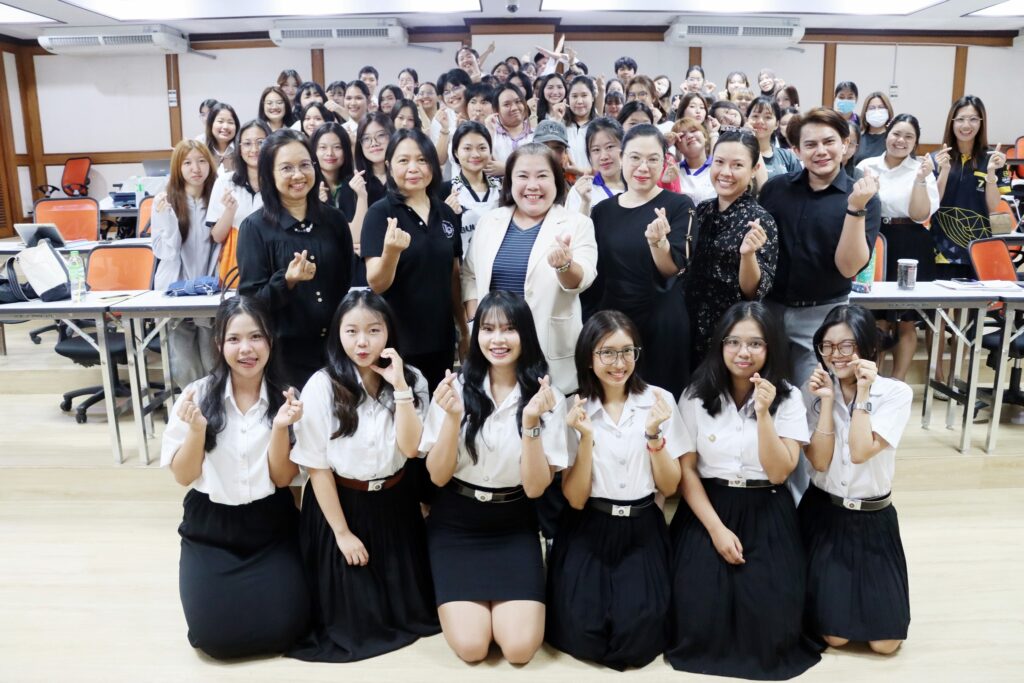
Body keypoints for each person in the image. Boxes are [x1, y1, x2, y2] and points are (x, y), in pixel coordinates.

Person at [668, 301, 822, 679]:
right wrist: (717, 530)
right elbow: (687, 471)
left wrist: (764, 413)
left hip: (767, 505)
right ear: (720, 345)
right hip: (710, 506)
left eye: (755, 343)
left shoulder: (788, 396)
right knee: (699, 615)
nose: (743, 352)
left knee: (770, 627)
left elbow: (779, 472)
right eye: (733, 342)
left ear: (770, 348)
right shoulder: (695, 395)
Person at [287, 291, 440, 662]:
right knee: (353, 625)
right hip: (340, 504)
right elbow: (316, 467)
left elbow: (411, 449)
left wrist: (400, 388)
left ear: (389, 332)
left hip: (395, 503)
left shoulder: (413, 379)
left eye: (373, 330)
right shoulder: (322, 385)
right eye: (351, 331)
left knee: (410, 614)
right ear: (337, 334)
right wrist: (342, 534)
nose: (362, 342)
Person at [419, 291, 569, 664]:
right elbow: (437, 476)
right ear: (476, 335)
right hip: (456, 524)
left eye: (509, 329)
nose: (497, 339)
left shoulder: (548, 397)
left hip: (513, 525)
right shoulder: (453, 388)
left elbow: (535, 487)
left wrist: (531, 423)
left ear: (525, 335)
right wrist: (453, 418)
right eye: (488, 329)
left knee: (519, 649)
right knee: (472, 647)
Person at [161, 296, 309, 660]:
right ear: (219, 344)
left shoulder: (287, 397)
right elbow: (183, 476)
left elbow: (282, 478)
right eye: (234, 339)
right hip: (211, 528)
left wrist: (279, 428)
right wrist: (197, 431)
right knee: (213, 638)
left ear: (270, 341)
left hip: (270, 524)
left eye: (256, 337)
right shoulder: (197, 394)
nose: (246, 349)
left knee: (287, 630)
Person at [546, 311, 683, 670]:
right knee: (583, 633)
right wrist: (585, 438)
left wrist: (653, 435)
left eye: (627, 351)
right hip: (588, 525)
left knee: (637, 639)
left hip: (642, 527)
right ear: (589, 358)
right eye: (607, 352)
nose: (619, 363)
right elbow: (576, 499)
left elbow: (670, 486)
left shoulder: (659, 400)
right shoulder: (573, 408)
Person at [801, 304, 913, 655]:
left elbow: (862, 451)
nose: (836, 355)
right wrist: (826, 402)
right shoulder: (815, 391)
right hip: (824, 514)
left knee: (886, 643)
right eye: (827, 346)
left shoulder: (895, 393)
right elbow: (819, 460)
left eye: (846, 346)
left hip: (873, 519)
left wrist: (863, 394)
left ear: (868, 347)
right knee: (835, 637)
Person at [462, 142, 597, 395]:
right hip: (495, 348)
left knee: (549, 413)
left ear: (557, 181)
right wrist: (475, 319)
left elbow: (584, 278)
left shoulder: (577, 223)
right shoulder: (489, 222)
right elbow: (469, 274)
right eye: (523, 176)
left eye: (542, 176)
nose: (532, 185)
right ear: (510, 182)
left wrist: (565, 265)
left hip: (549, 350)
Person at [761, 107, 881, 390]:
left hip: (824, 316)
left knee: (815, 400)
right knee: (766, 398)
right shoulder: (775, 190)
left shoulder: (864, 198)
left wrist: (855, 207)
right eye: (810, 144)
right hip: (770, 311)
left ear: (845, 144)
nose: (821, 151)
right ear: (796, 150)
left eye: (829, 142)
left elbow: (849, 268)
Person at [237, 129, 354, 388]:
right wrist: (286, 282)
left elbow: (345, 283)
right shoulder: (254, 228)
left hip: (337, 351)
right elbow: (249, 304)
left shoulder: (334, 220)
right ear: (269, 175)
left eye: (304, 165)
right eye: (286, 168)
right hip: (284, 358)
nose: (298, 175)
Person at [588, 124, 696, 398]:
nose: (643, 167)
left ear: (664, 162)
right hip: (613, 323)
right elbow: (596, 274)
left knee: (661, 403)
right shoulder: (601, 212)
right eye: (635, 157)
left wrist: (658, 243)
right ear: (622, 158)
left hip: (661, 323)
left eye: (653, 159)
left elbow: (672, 269)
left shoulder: (679, 205)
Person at [362, 128, 467, 391]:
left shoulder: (446, 213)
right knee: (404, 410)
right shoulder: (379, 213)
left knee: (440, 408)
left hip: (441, 339)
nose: (414, 168)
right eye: (403, 160)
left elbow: (454, 276)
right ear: (389, 166)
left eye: (422, 160)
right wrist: (391, 252)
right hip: (397, 343)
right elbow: (376, 284)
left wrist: (464, 331)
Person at [856, 114, 940, 381]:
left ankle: (898, 382)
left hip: (911, 243)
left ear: (915, 142)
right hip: (874, 238)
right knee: (876, 318)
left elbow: (919, 214)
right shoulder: (866, 165)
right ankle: (872, 381)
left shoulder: (921, 170)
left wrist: (920, 179)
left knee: (906, 320)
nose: (900, 140)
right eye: (896, 134)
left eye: (908, 136)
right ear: (887, 134)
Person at [686, 128, 779, 368]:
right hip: (689, 326)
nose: (725, 172)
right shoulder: (702, 210)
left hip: (731, 336)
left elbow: (753, 292)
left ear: (754, 169)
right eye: (719, 162)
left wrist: (747, 255)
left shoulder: (760, 219)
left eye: (737, 165)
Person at [151, 139, 218, 385]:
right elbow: (165, 252)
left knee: (213, 361)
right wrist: (168, 219)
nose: (195, 168)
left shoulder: (217, 198)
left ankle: (213, 405)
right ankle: (191, 405)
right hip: (175, 288)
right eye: (187, 163)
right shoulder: (165, 200)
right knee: (184, 363)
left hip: (210, 289)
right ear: (178, 167)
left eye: (201, 161)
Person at [931, 95, 1011, 280]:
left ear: (981, 123)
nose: (966, 125)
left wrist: (991, 173)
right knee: (940, 296)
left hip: (980, 247)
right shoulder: (936, 158)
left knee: (975, 297)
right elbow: (932, 203)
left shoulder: (994, 159)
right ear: (952, 122)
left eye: (973, 119)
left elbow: (993, 206)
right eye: (960, 119)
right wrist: (944, 170)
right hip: (942, 249)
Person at [207, 119, 269, 284]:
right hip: (234, 267)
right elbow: (217, 237)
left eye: (261, 142)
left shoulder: (279, 182)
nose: (254, 149)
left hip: (271, 264)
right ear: (239, 148)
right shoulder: (225, 182)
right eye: (247, 143)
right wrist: (230, 210)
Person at [441, 121, 502, 254]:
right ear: (456, 152)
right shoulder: (444, 191)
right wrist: (447, 215)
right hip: (462, 264)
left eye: (482, 148)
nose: (475, 154)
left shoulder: (502, 188)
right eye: (467, 148)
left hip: (499, 263)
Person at [312, 122, 365, 261]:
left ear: (346, 150)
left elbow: (356, 236)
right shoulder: (308, 186)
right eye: (323, 147)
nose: (330, 153)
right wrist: (318, 205)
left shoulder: (355, 182)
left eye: (337, 147)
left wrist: (362, 196)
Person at [566, 117, 625, 216]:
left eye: (609, 147)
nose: (604, 156)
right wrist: (585, 203)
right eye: (596, 150)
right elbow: (573, 226)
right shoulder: (580, 191)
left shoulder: (637, 186)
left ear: (624, 147)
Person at [746, 96, 801, 185]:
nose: (760, 121)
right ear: (747, 119)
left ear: (777, 124)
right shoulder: (738, 155)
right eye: (755, 116)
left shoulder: (788, 157)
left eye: (768, 117)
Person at [672, 117, 716, 205]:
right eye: (682, 135)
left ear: (705, 137)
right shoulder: (673, 170)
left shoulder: (718, 168)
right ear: (678, 147)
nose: (690, 136)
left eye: (693, 131)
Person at [489, 82, 534, 167]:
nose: (514, 108)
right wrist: (489, 132)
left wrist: (506, 169)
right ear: (496, 109)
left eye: (518, 102)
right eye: (506, 104)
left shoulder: (535, 134)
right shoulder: (491, 134)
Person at [565, 75, 597, 170]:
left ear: (592, 97)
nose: (579, 101)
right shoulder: (561, 125)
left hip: (595, 179)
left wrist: (580, 172)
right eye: (574, 96)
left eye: (584, 95)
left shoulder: (601, 127)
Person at [856, 92, 895, 165]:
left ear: (888, 110)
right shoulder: (858, 138)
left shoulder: (894, 138)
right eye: (872, 108)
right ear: (865, 112)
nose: (877, 111)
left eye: (881, 107)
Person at [204, 102, 239, 172]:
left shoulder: (242, 151)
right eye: (220, 121)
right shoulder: (203, 152)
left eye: (230, 122)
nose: (225, 127)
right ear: (211, 124)